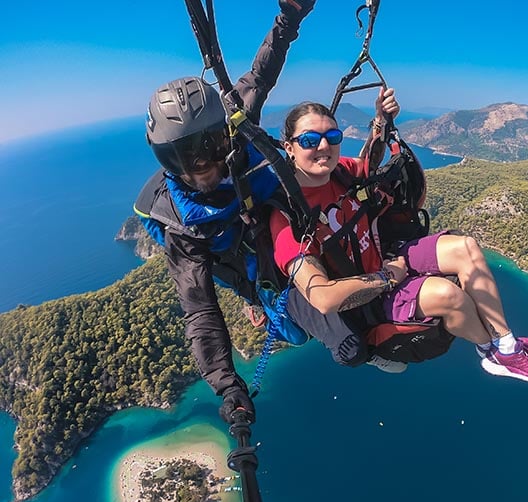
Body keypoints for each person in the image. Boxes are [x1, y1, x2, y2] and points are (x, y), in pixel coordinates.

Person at [135, 0, 385, 427]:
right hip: (258, 264)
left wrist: (289, 17)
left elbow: (260, 73)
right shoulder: (181, 223)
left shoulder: (238, 127)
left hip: (291, 227)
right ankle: (298, 314)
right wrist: (229, 386)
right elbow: (200, 309)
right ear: (166, 161)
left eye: (208, 150)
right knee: (334, 339)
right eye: (182, 159)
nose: (201, 168)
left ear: (223, 135)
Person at [268, 89, 528, 382]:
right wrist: (388, 277)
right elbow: (323, 298)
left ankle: (507, 346)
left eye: (333, 136)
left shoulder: (339, 171)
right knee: (449, 295)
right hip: (370, 299)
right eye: (309, 140)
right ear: (289, 147)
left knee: (465, 247)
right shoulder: (289, 218)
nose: (324, 146)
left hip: (387, 256)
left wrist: (381, 120)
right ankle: (489, 351)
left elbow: (367, 166)